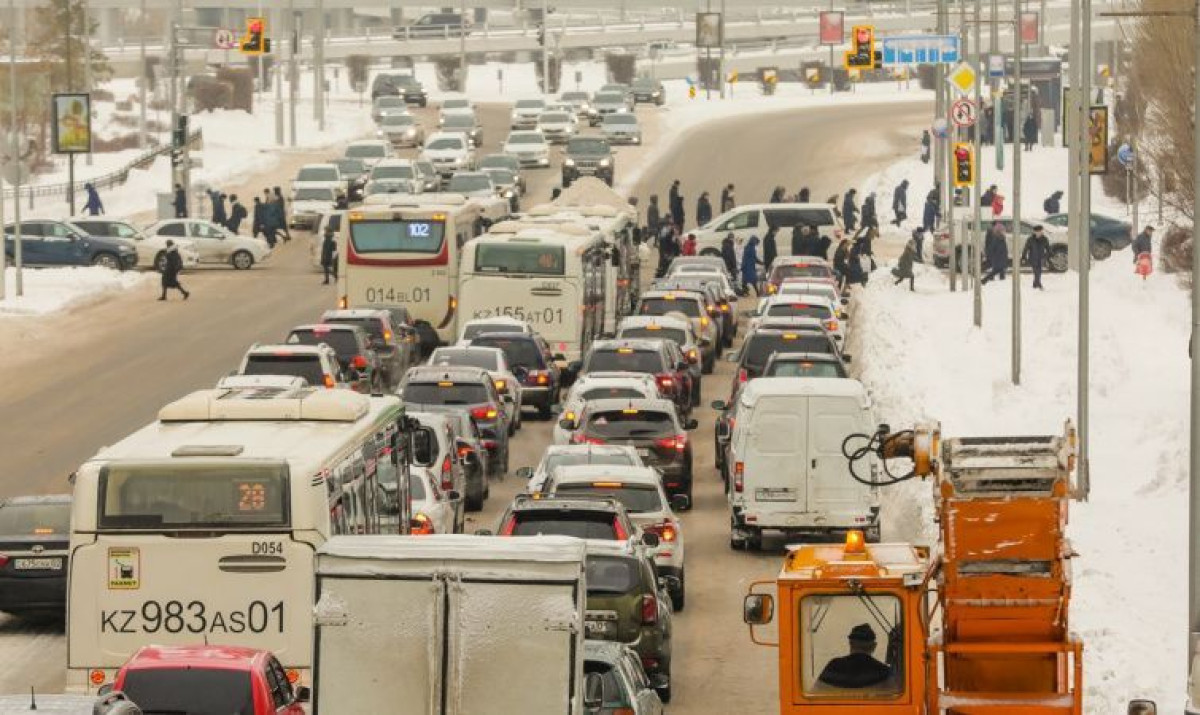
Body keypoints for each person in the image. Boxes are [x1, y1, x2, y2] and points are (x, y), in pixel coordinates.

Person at [817, 624, 893, 689]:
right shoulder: (884, 671)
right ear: (874, 646)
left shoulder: (833, 666)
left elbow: (817, 693)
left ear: (850, 644)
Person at [1022, 224, 1050, 289]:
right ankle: (1038, 284)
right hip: (1033, 258)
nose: (1039, 233)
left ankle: (1035, 284)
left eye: (1040, 231)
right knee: (1036, 271)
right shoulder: (1030, 239)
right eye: (1037, 231)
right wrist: (1023, 257)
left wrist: (1048, 255)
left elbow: (1048, 248)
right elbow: (1026, 248)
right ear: (1034, 232)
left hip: (1041, 258)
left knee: (1039, 271)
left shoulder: (1045, 239)